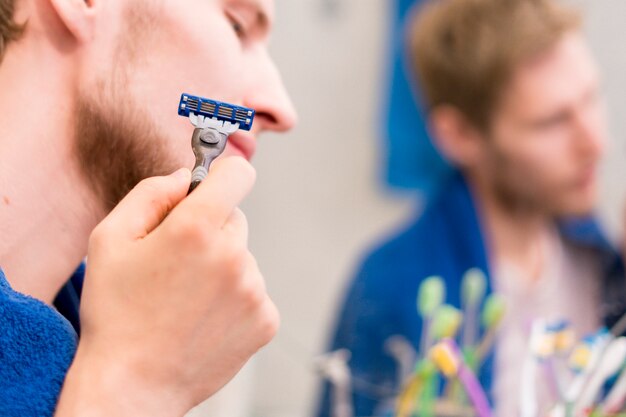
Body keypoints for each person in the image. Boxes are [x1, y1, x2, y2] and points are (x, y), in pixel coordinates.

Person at [317, 0, 626, 416]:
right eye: (552, 122)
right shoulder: (391, 287)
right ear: (459, 135)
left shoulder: (601, 258)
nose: (595, 142)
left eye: (591, 98)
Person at [0, 0, 297, 415]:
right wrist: (132, 386)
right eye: (236, 25)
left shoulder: (108, 330)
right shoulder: (124, 361)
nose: (282, 109)